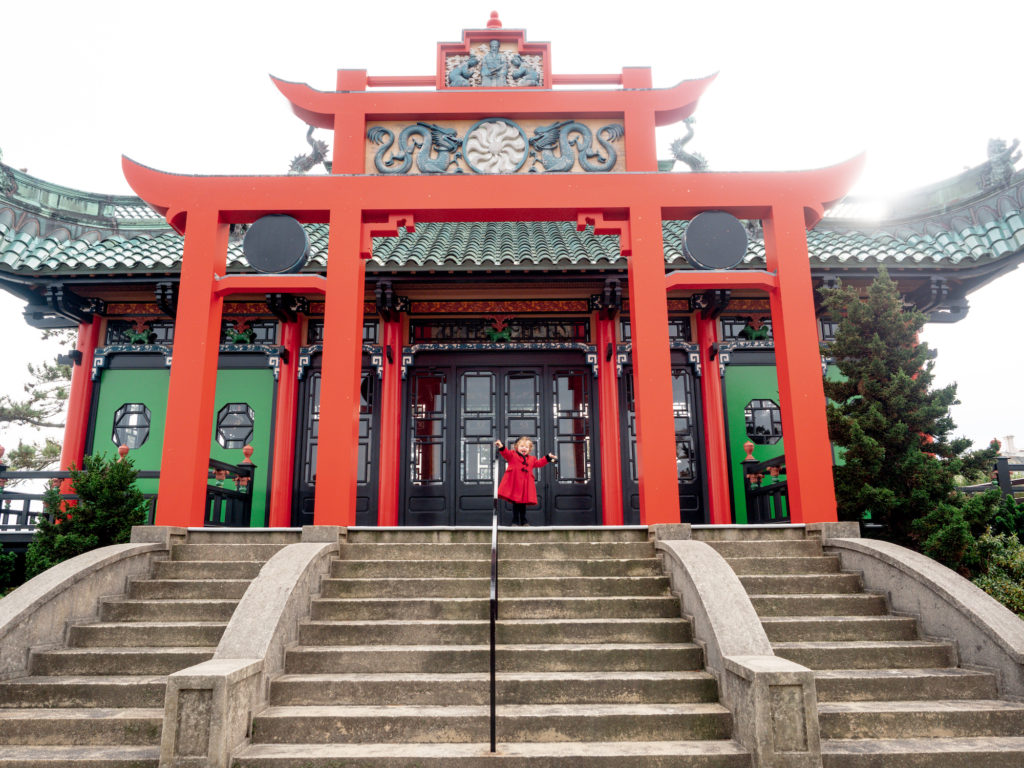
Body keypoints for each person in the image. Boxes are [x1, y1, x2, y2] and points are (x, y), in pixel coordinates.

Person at [494, 437, 557, 526]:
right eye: (522, 446)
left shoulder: (532, 459)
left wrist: (547, 458)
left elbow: (539, 463)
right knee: (516, 503)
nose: (524, 448)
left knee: (523, 504)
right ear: (516, 447)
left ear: (530, 449)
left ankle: (524, 520)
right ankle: (515, 521)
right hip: (515, 484)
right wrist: (501, 446)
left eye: (527, 447)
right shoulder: (512, 455)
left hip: (525, 485)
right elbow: (505, 453)